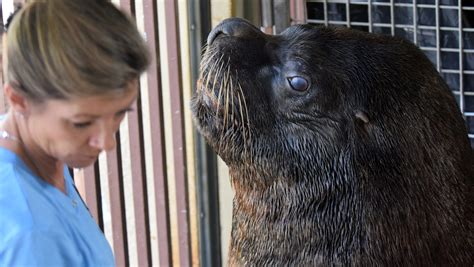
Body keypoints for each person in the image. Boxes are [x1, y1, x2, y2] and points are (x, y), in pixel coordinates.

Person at [0, 0, 149, 266]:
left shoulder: (39, 151)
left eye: (120, 113)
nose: (106, 142)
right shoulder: (30, 238)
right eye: (81, 123)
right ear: (19, 99)